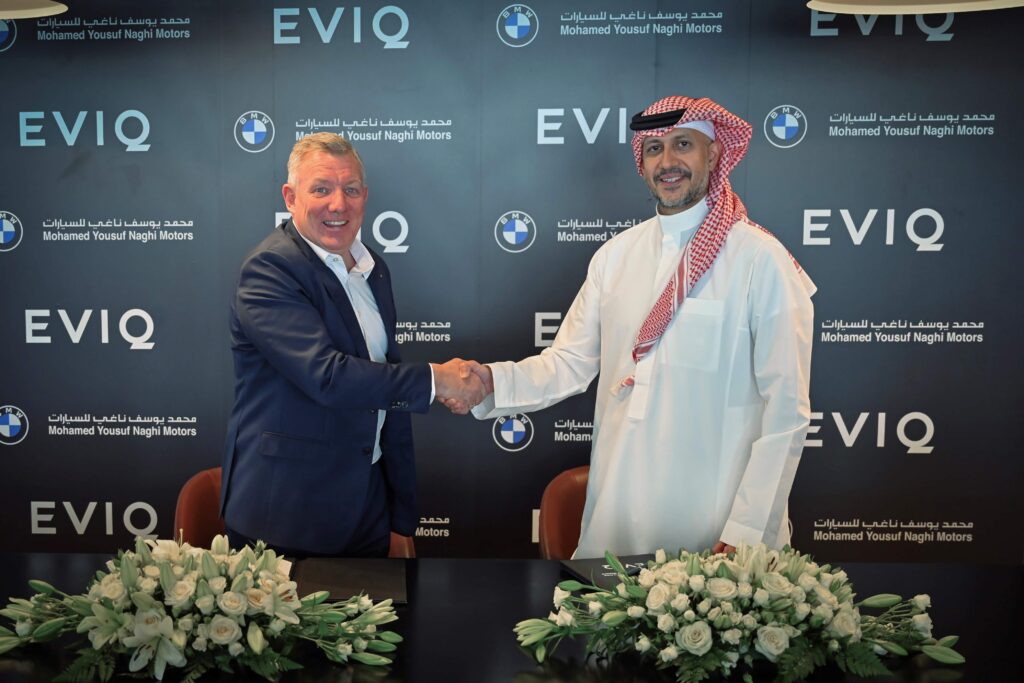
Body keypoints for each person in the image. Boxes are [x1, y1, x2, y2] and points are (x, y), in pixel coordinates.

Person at [461, 96, 816, 559]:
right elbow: (568, 362)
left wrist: (748, 527)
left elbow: (787, 409)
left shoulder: (760, 259)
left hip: (716, 526)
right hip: (618, 511)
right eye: (654, 149)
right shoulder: (615, 256)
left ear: (713, 154)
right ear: (641, 162)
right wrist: (492, 382)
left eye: (683, 144)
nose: (667, 162)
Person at [221, 133, 484, 557]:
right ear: (290, 197)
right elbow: (328, 377)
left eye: (351, 189)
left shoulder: (371, 266)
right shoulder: (270, 269)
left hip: (366, 503)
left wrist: (396, 508)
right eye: (321, 189)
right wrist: (438, 381)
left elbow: (380, 381)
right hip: (289, 513)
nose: (338, 204)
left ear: (365, 196)